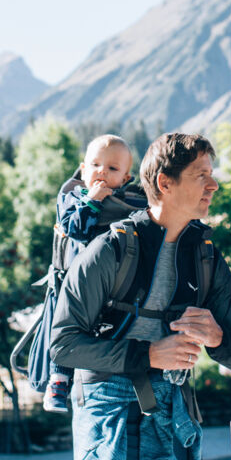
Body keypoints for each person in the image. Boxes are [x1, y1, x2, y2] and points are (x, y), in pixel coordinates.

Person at [51, 132, 231, 460]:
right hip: (109, 422)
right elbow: (63, 345)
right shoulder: (108, 251)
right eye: (201, 176)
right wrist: (149, 354)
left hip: (172, 418)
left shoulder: (205, 256)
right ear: (165, 182)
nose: (214, 186)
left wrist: (217, 337)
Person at [44, 134, 147, 412]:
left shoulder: (128, 203)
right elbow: (75, 229)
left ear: (125, 179)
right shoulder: (73, 197)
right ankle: (58, 381)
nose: (101, 172)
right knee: (68, 324)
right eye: (95, 165)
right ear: (83, 168)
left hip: (108, 284)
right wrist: (92, 201)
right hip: (74, 280)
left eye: (112, 169)